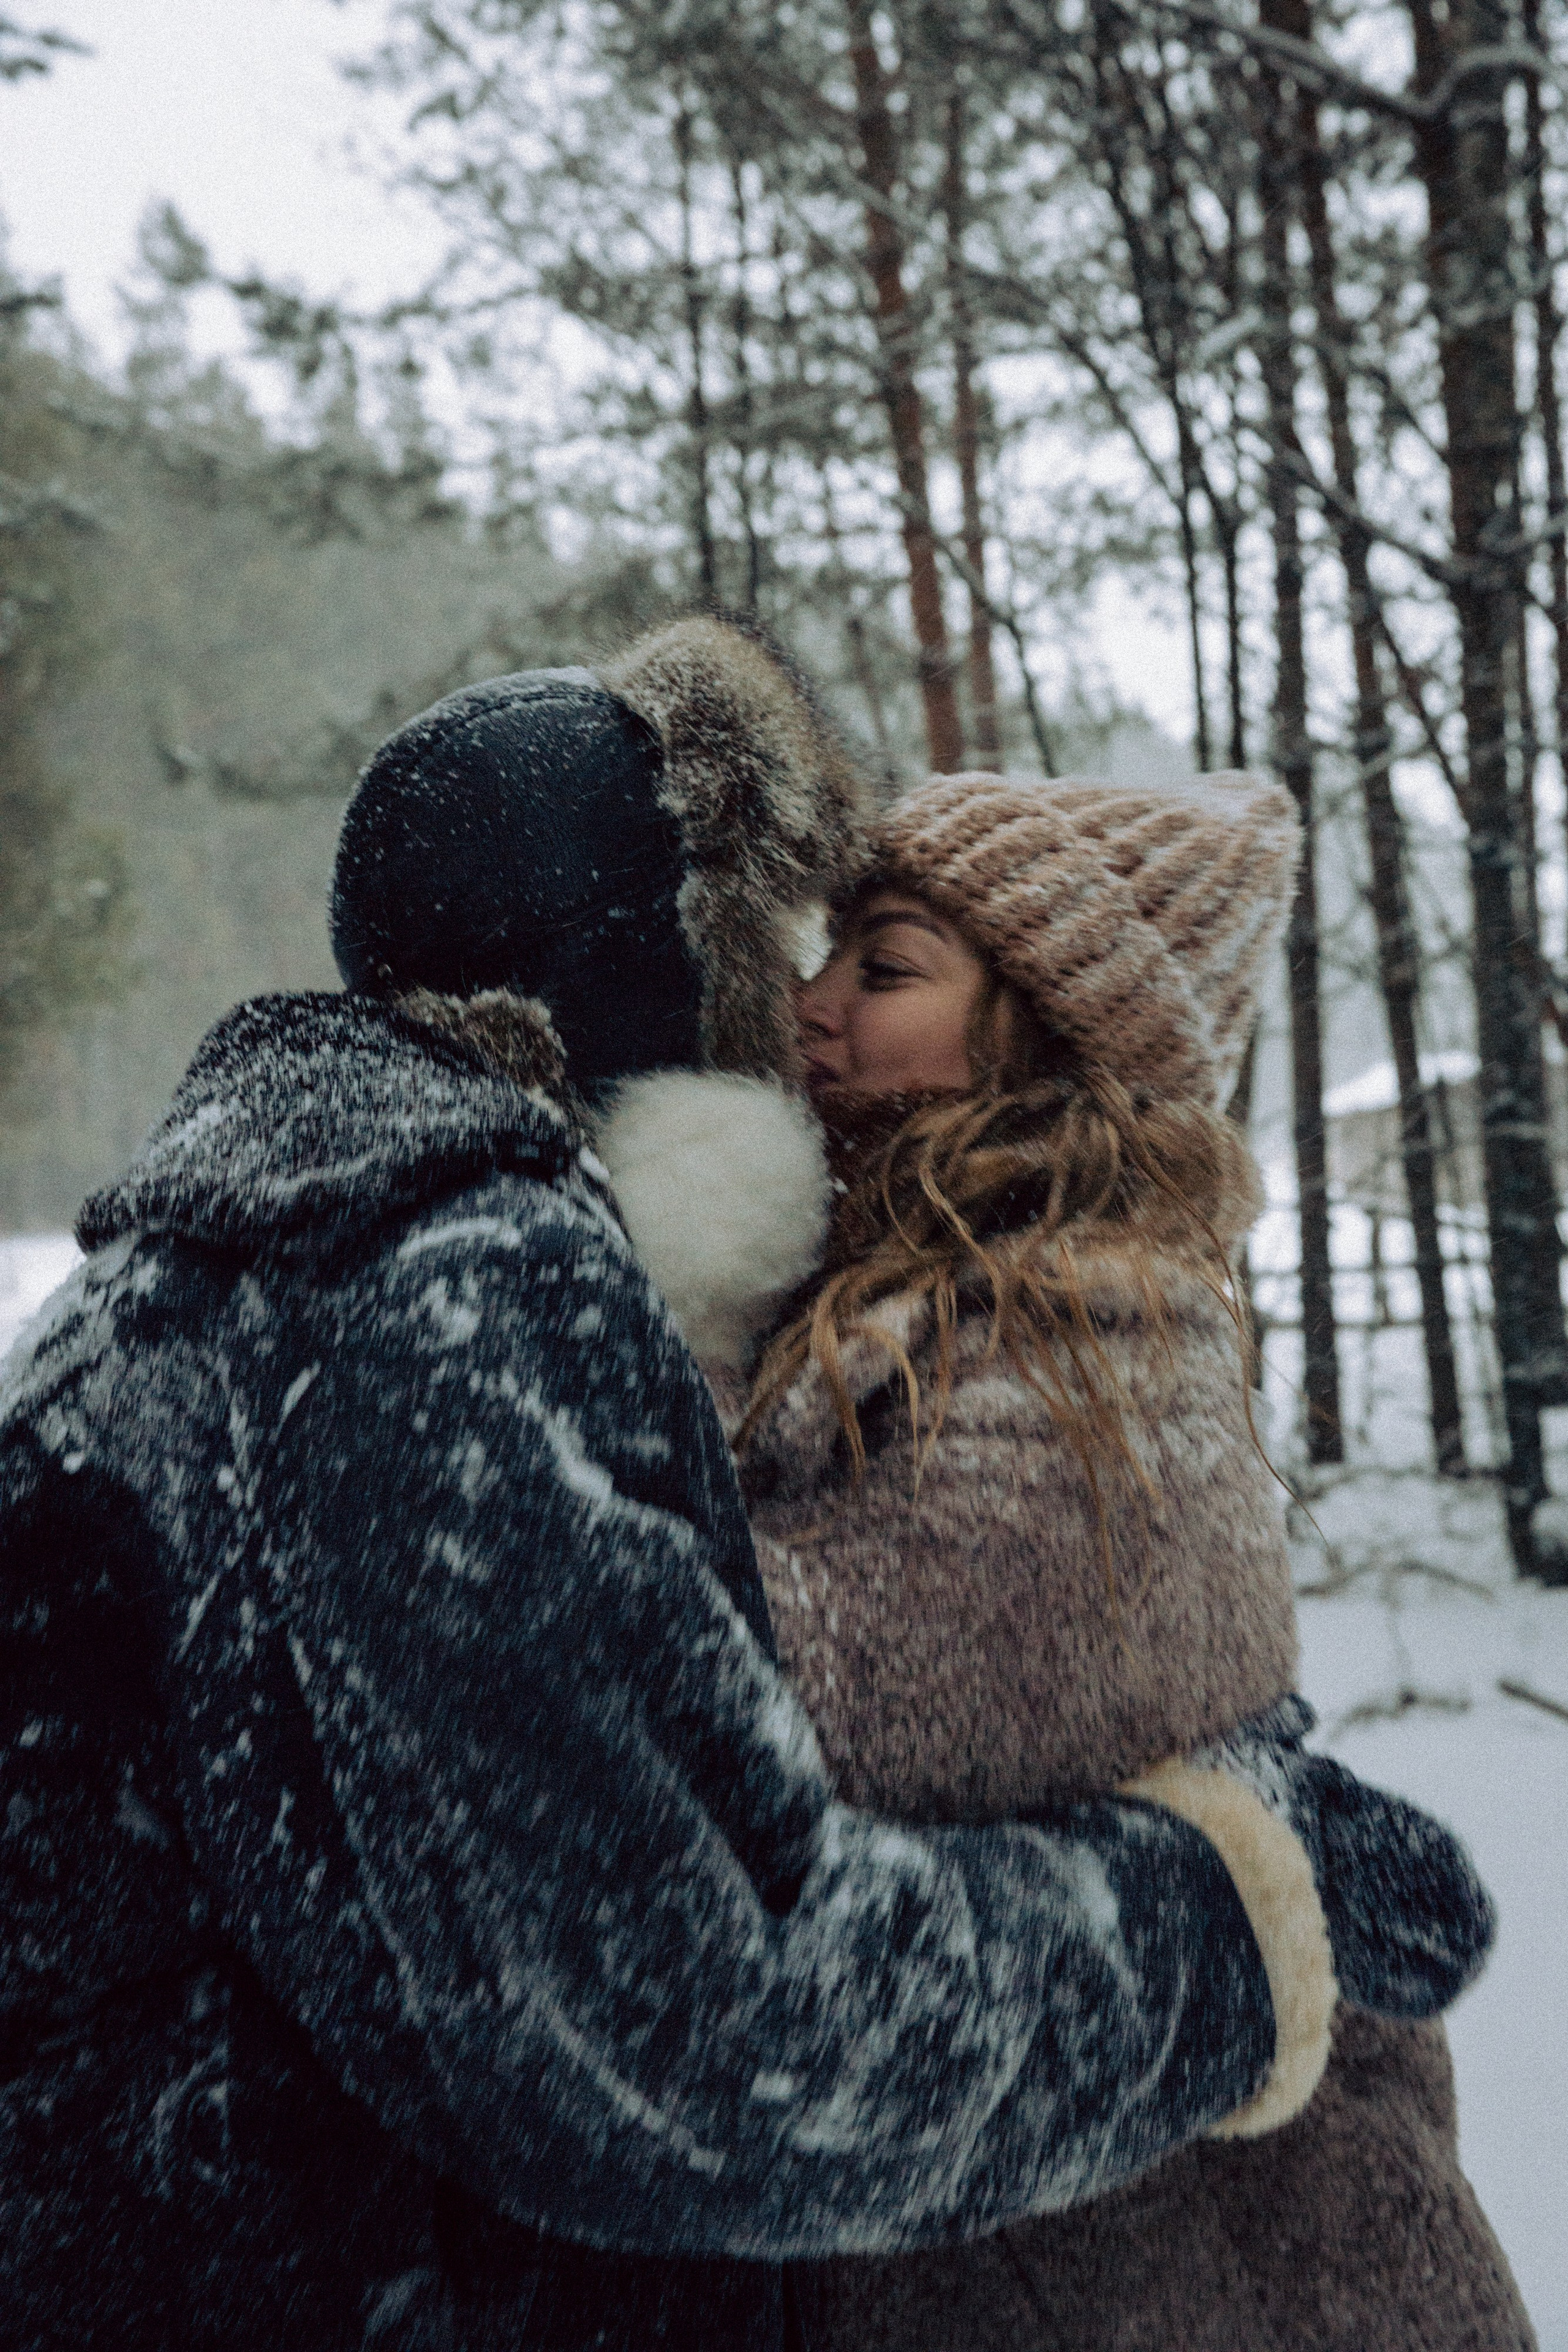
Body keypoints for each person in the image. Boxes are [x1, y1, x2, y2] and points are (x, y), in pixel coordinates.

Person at [0, 620, 1471, 2352]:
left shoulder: (169, 1283)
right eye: (774, 950)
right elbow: (727, 2037)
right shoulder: (447, 1283)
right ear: (642, 961)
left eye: (872, 964)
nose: (800, 1015)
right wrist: (1240, 1898)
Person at [605, 761, 1530, 2351]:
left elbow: (800, 1716)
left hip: (1222, 2289)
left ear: (1045, 1031)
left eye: (883, 968)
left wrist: (652, 1333)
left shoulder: (1105, 1347)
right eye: (828, 955)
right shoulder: (906, 1300)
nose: (809, 1007)